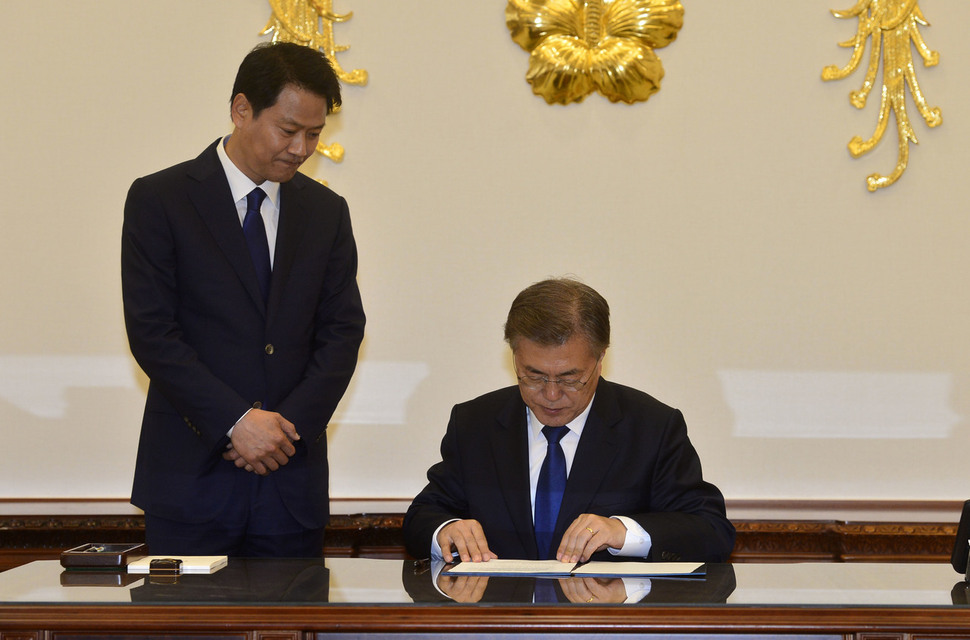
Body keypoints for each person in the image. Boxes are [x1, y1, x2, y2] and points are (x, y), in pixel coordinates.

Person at [121, 42, 365, 557]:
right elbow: (153, 333)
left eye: (315, 134)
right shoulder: (160, 200)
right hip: (190, 483)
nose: (301, 148)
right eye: (288, 129)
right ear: (241, 109)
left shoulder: (326, 213)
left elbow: (342, 332)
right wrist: (235, 422)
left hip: (290, 486)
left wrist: (281, 433)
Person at [403, 278, 734, 565]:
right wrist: (445, 530)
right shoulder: (476, 423)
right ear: (514, 357)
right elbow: (423, 517)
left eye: (570, 378)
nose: (550, 394)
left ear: (600, 358)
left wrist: (622, 531)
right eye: (532, 376)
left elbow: (711, 531)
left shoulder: (651, 427)